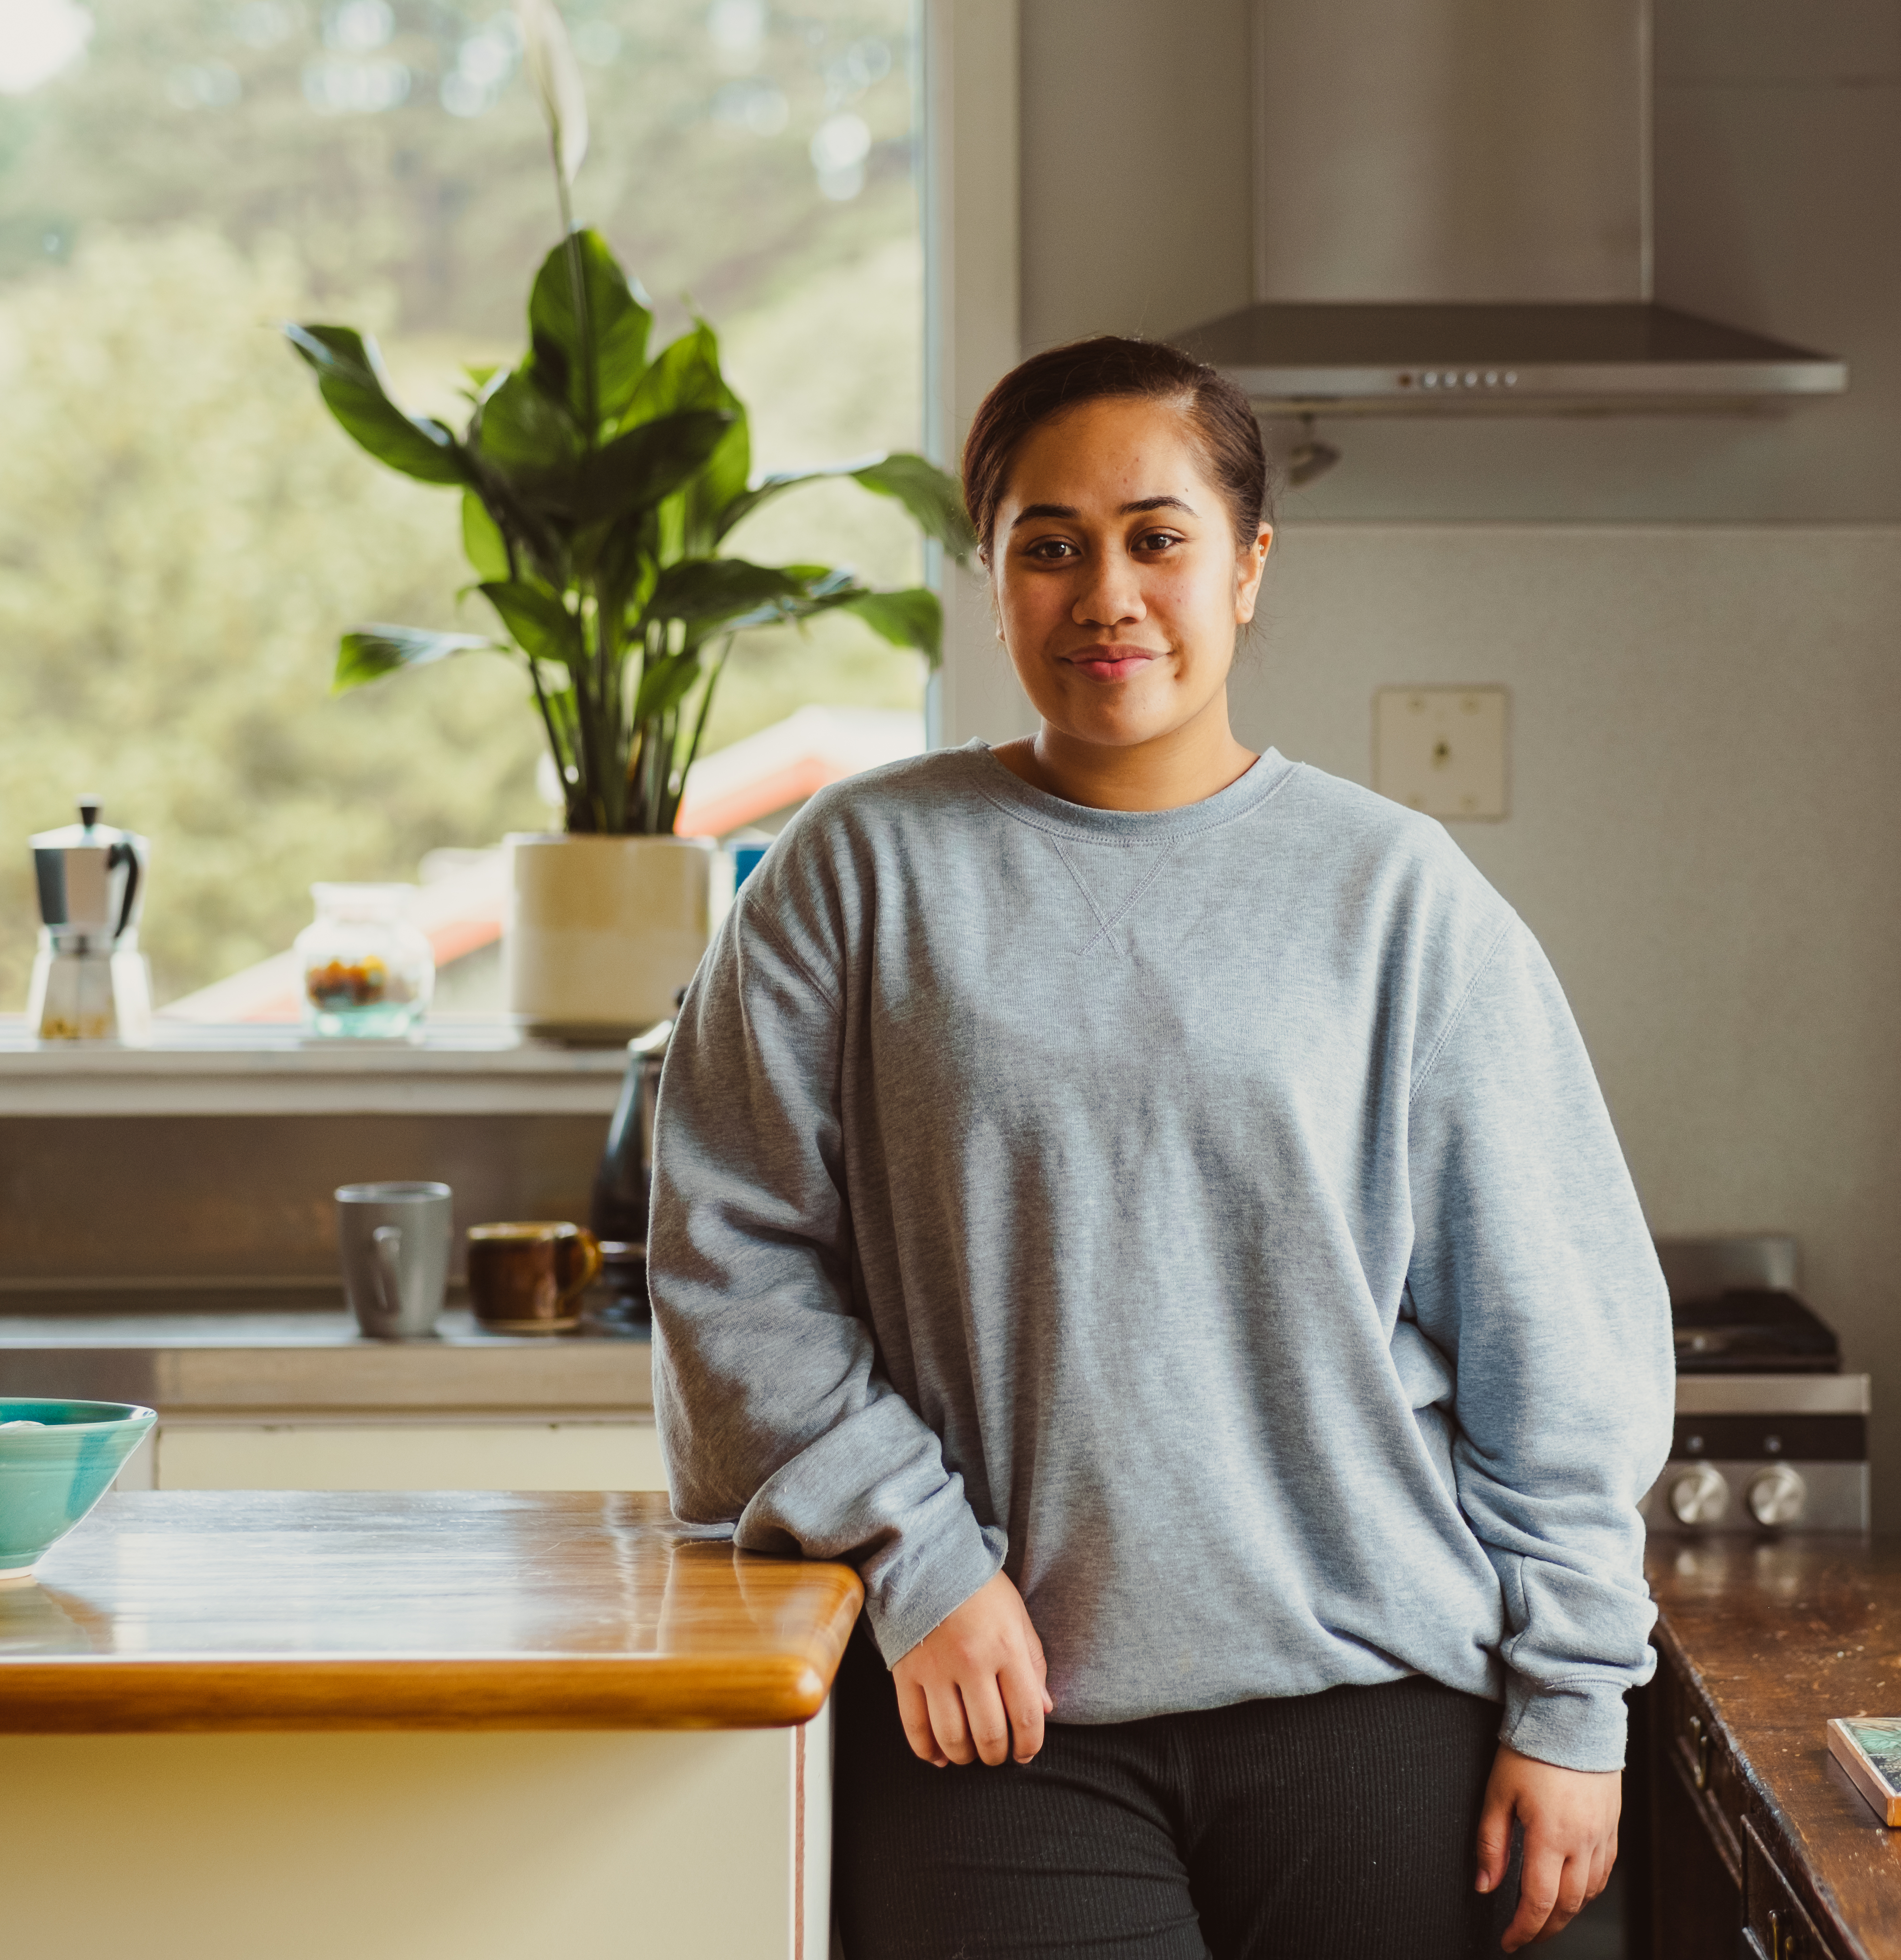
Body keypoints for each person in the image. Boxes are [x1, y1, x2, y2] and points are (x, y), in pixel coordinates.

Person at [650, 334, 1674, 1960]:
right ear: (989, 577)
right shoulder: (859, 873)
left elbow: (1554, 1337)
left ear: (1251, 565)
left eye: (1157, 536)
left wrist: (1574, 1703)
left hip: (1381, 1702)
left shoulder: (1401, 902)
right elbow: (729, 1264)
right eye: (1047, 545)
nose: (1104, 592)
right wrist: (919, 1556)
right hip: (991, 1715)